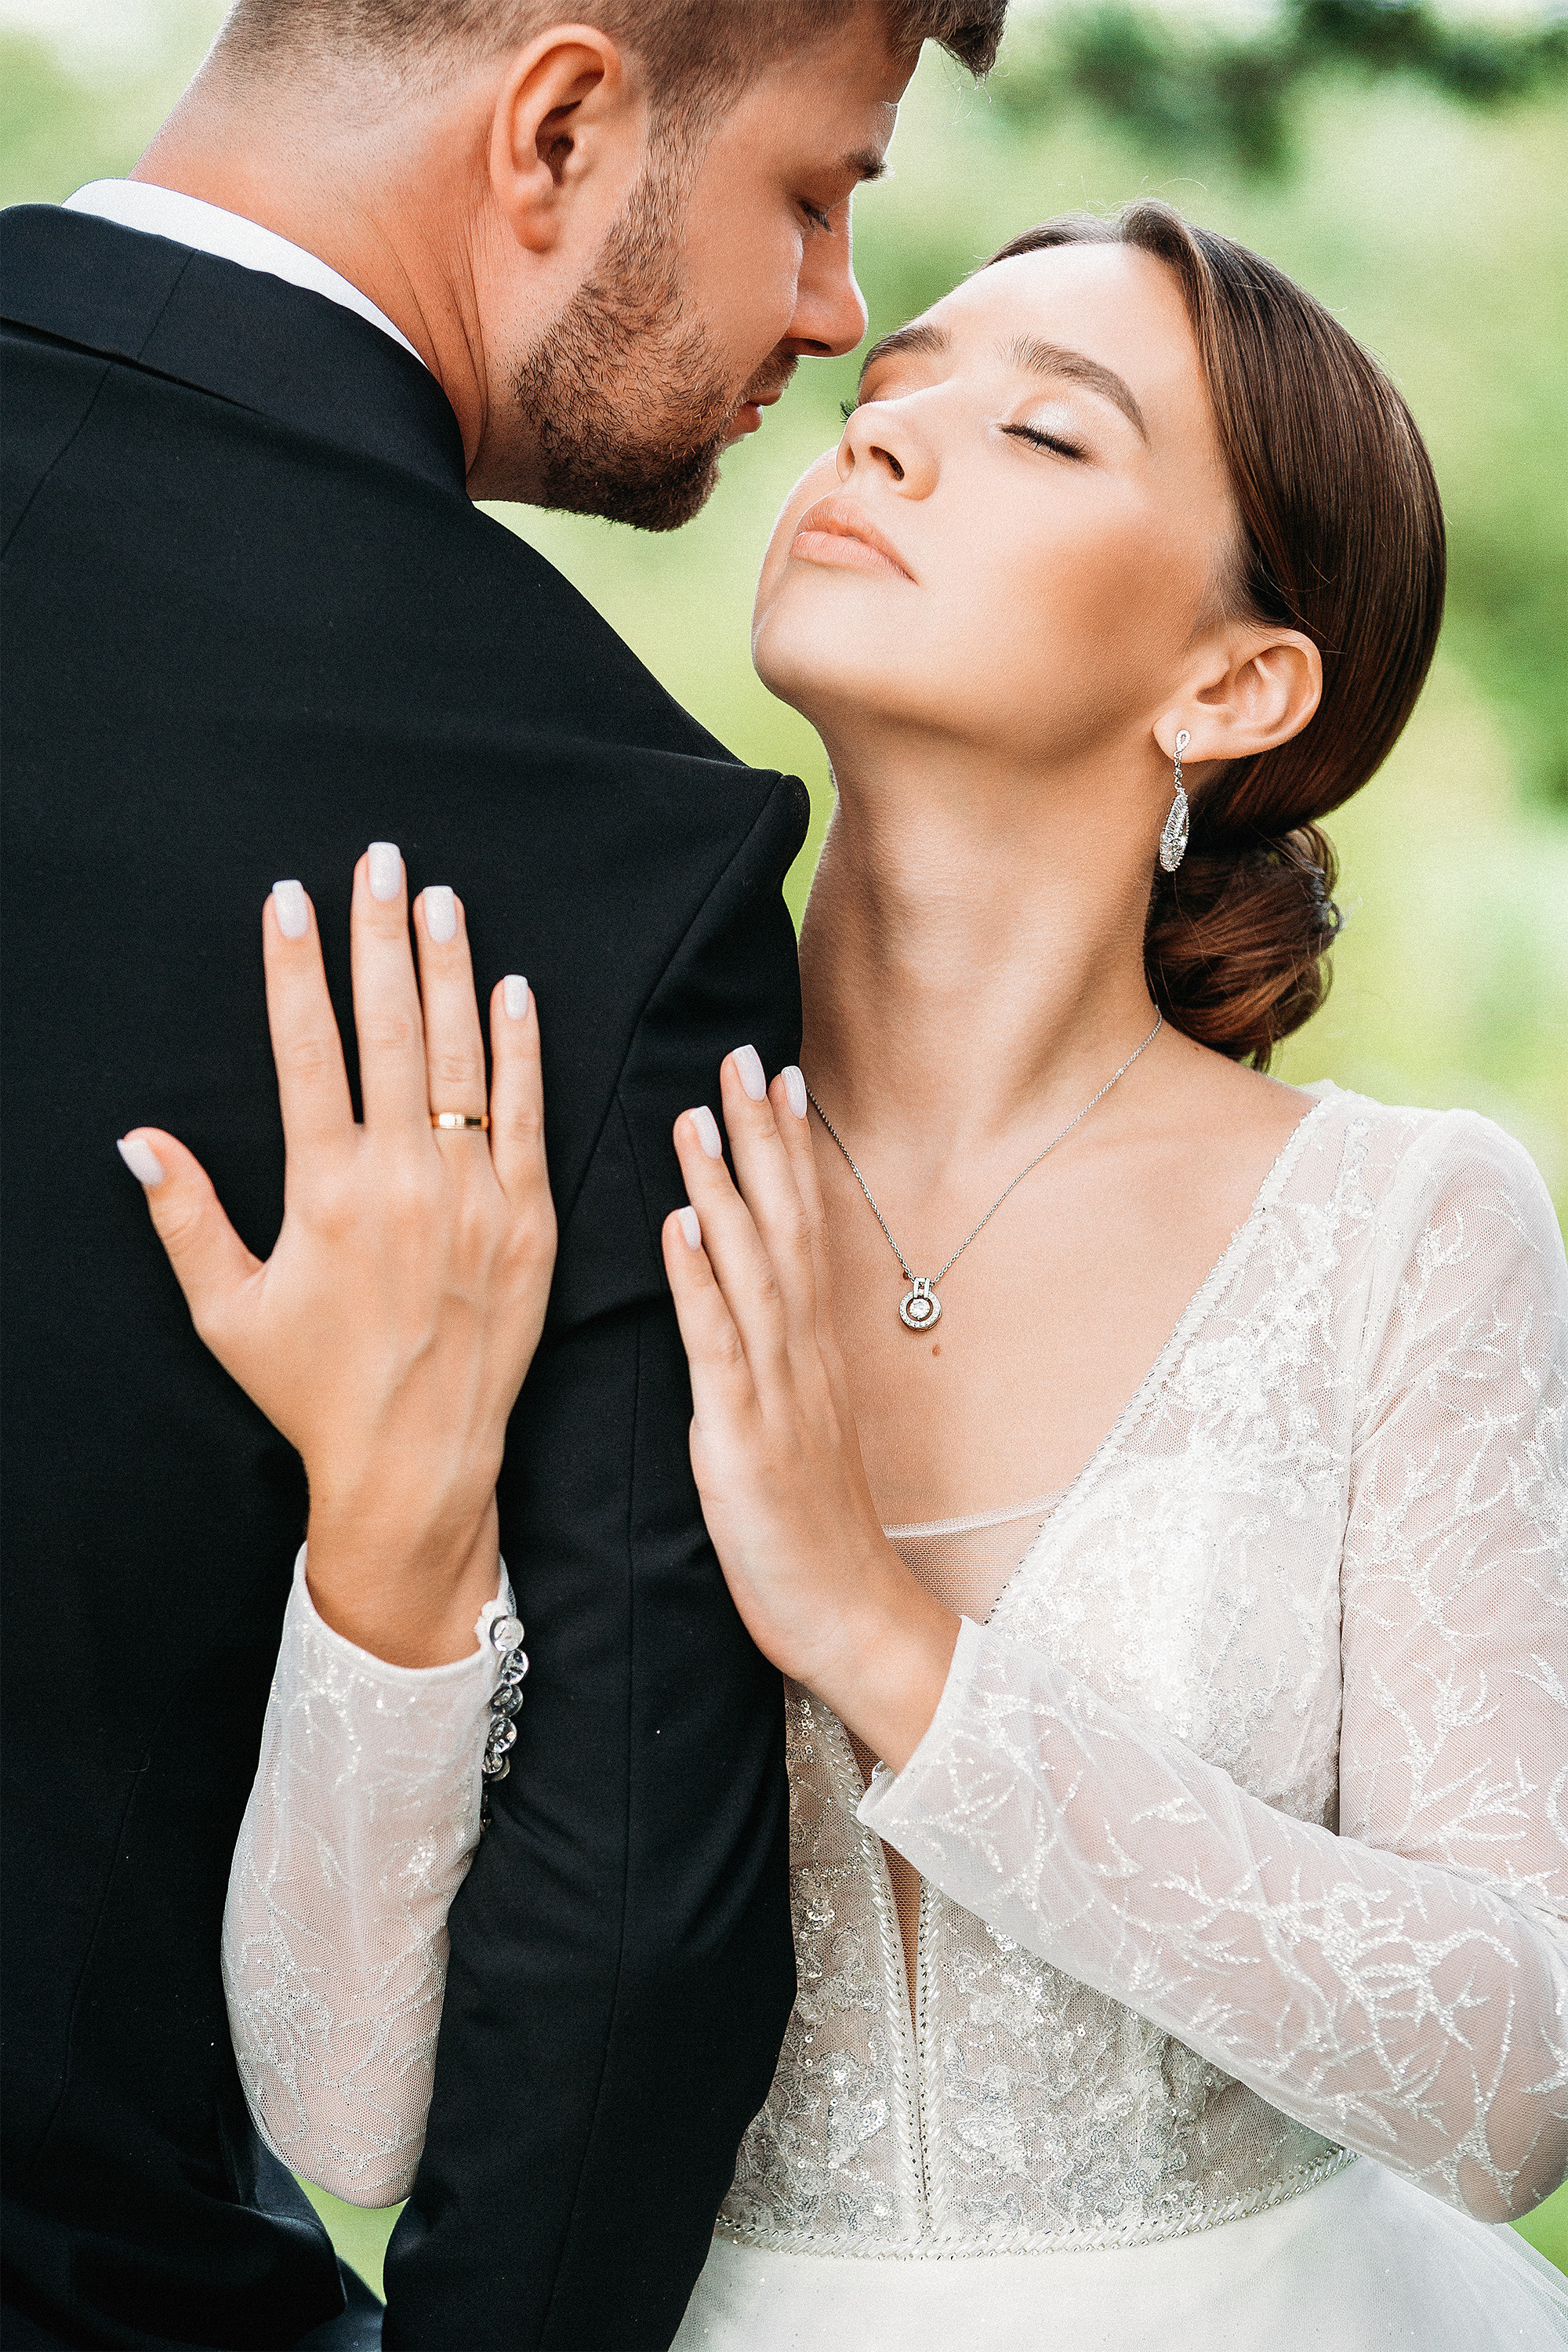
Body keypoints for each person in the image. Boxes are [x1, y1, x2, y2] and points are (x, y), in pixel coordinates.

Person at [127, 201, 1568, 2345]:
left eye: (1046, 436)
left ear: (1236, 681)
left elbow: (1517, 2071)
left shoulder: (1407, 1229)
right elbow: (351, 2119)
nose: (880, 443)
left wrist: (883, 1640)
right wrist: (393, 1527)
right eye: (889, 396)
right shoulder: (555, 1166)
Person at [0, 3, 1011, 2344]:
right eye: (815, 192)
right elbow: (631, 1914)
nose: (836, 309)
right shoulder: (587, 836)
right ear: (558, 125)